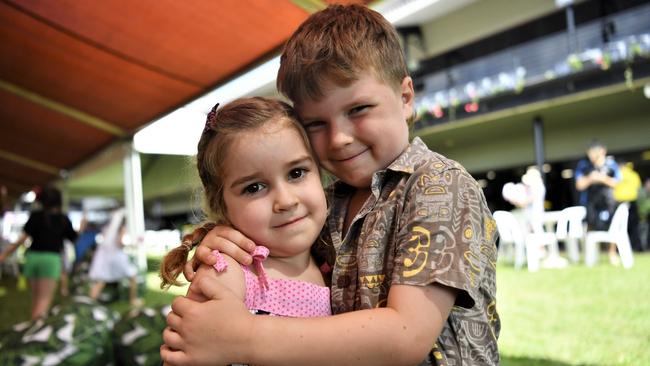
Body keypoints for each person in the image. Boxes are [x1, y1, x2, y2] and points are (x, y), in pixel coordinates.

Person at [162, 4, 499, 365]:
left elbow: (406, 336)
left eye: (358, 109)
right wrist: (225, 239)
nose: (339, 139)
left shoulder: (438, 186)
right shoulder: (328, 202)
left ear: (405, 98)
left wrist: (243, 337)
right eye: (316, 124)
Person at [159, 97, 331, 319]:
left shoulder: (334, 257)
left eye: (296, 173)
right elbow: (186, 349)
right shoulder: (226, 274)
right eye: (254, 187)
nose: (286, 201)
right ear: (220, 205)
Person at [0, 185, 77, 319]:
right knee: (43, 302)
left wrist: (4, 254)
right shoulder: (63, 219)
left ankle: (31, 328)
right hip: (51, 260)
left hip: (33, 258)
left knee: (36, 299)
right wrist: (81, 227)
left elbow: (21, 240)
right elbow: (73, 239)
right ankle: (34, 334)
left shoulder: (36, 216)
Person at [575, 140, 621, 265]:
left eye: (594, 151)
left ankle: (612, 253)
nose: (591, 155)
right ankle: (591, 255)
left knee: (612, 227)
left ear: (602, 151)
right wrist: (591, 178)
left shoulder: (611, 164)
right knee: (590, 228)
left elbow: (617, 183)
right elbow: (579, 185)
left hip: (608, 202)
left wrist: (602, 178)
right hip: (590, 203)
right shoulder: (584, 166)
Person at [88, 207, 142, 306]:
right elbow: (120, 243)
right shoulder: (122, 228)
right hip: (117, 257)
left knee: (100, 281)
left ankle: (90, 303)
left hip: (105, 257)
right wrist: (134, 244)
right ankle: (133, 300)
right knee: (133, 276)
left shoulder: (108, 227)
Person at [613, 160, 642, 251]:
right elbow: (638, 188)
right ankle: (636, 248)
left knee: (620, 226)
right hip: (632, 202)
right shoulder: (634, 174)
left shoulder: (617, 174)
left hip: (620, 203)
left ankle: (621, 249)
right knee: (634, 227)